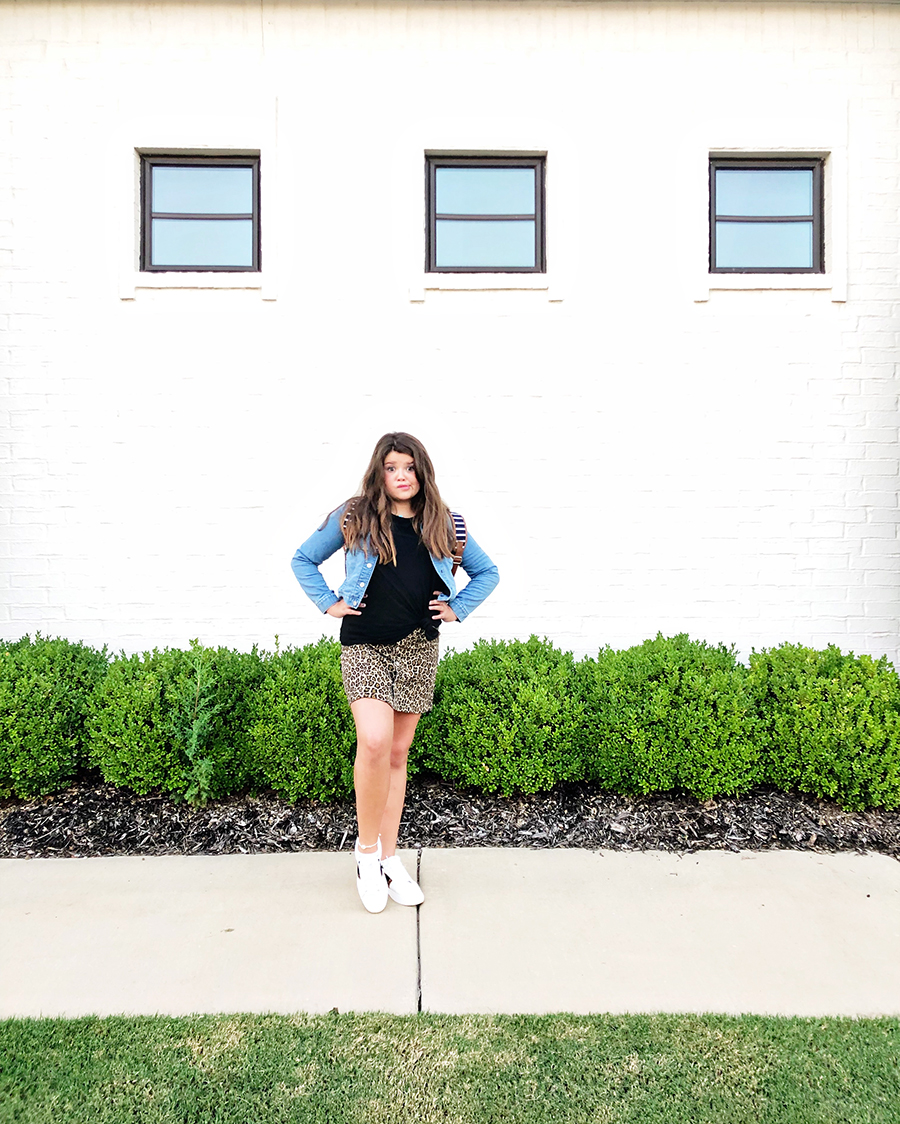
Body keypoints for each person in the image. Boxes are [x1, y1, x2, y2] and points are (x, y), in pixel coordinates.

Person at [291, 432, 500, 913]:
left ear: (421, 472)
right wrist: (329, 603)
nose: (401, 475)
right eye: (391, 467)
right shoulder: (355, 516)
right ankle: (365, 855)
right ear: (378, 472)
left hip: (417, 648)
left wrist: (456, 608)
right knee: (374, 740)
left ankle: (389, 856)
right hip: (364, 644)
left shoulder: (446, 523)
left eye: (408, 467)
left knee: (398, 752)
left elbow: (487, 573)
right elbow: (303, 559)